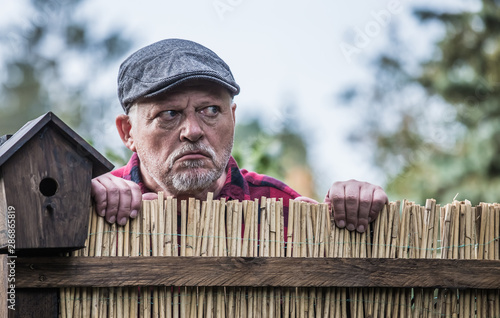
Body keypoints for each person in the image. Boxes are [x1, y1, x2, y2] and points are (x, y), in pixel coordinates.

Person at [91, 38, 387, 233]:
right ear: (127, 132)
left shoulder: (280, 209)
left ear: (232, 117)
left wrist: (357, 211)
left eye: (209, 110)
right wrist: (78, 198)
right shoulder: (91, 207)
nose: (193, 131)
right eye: (169, 114)